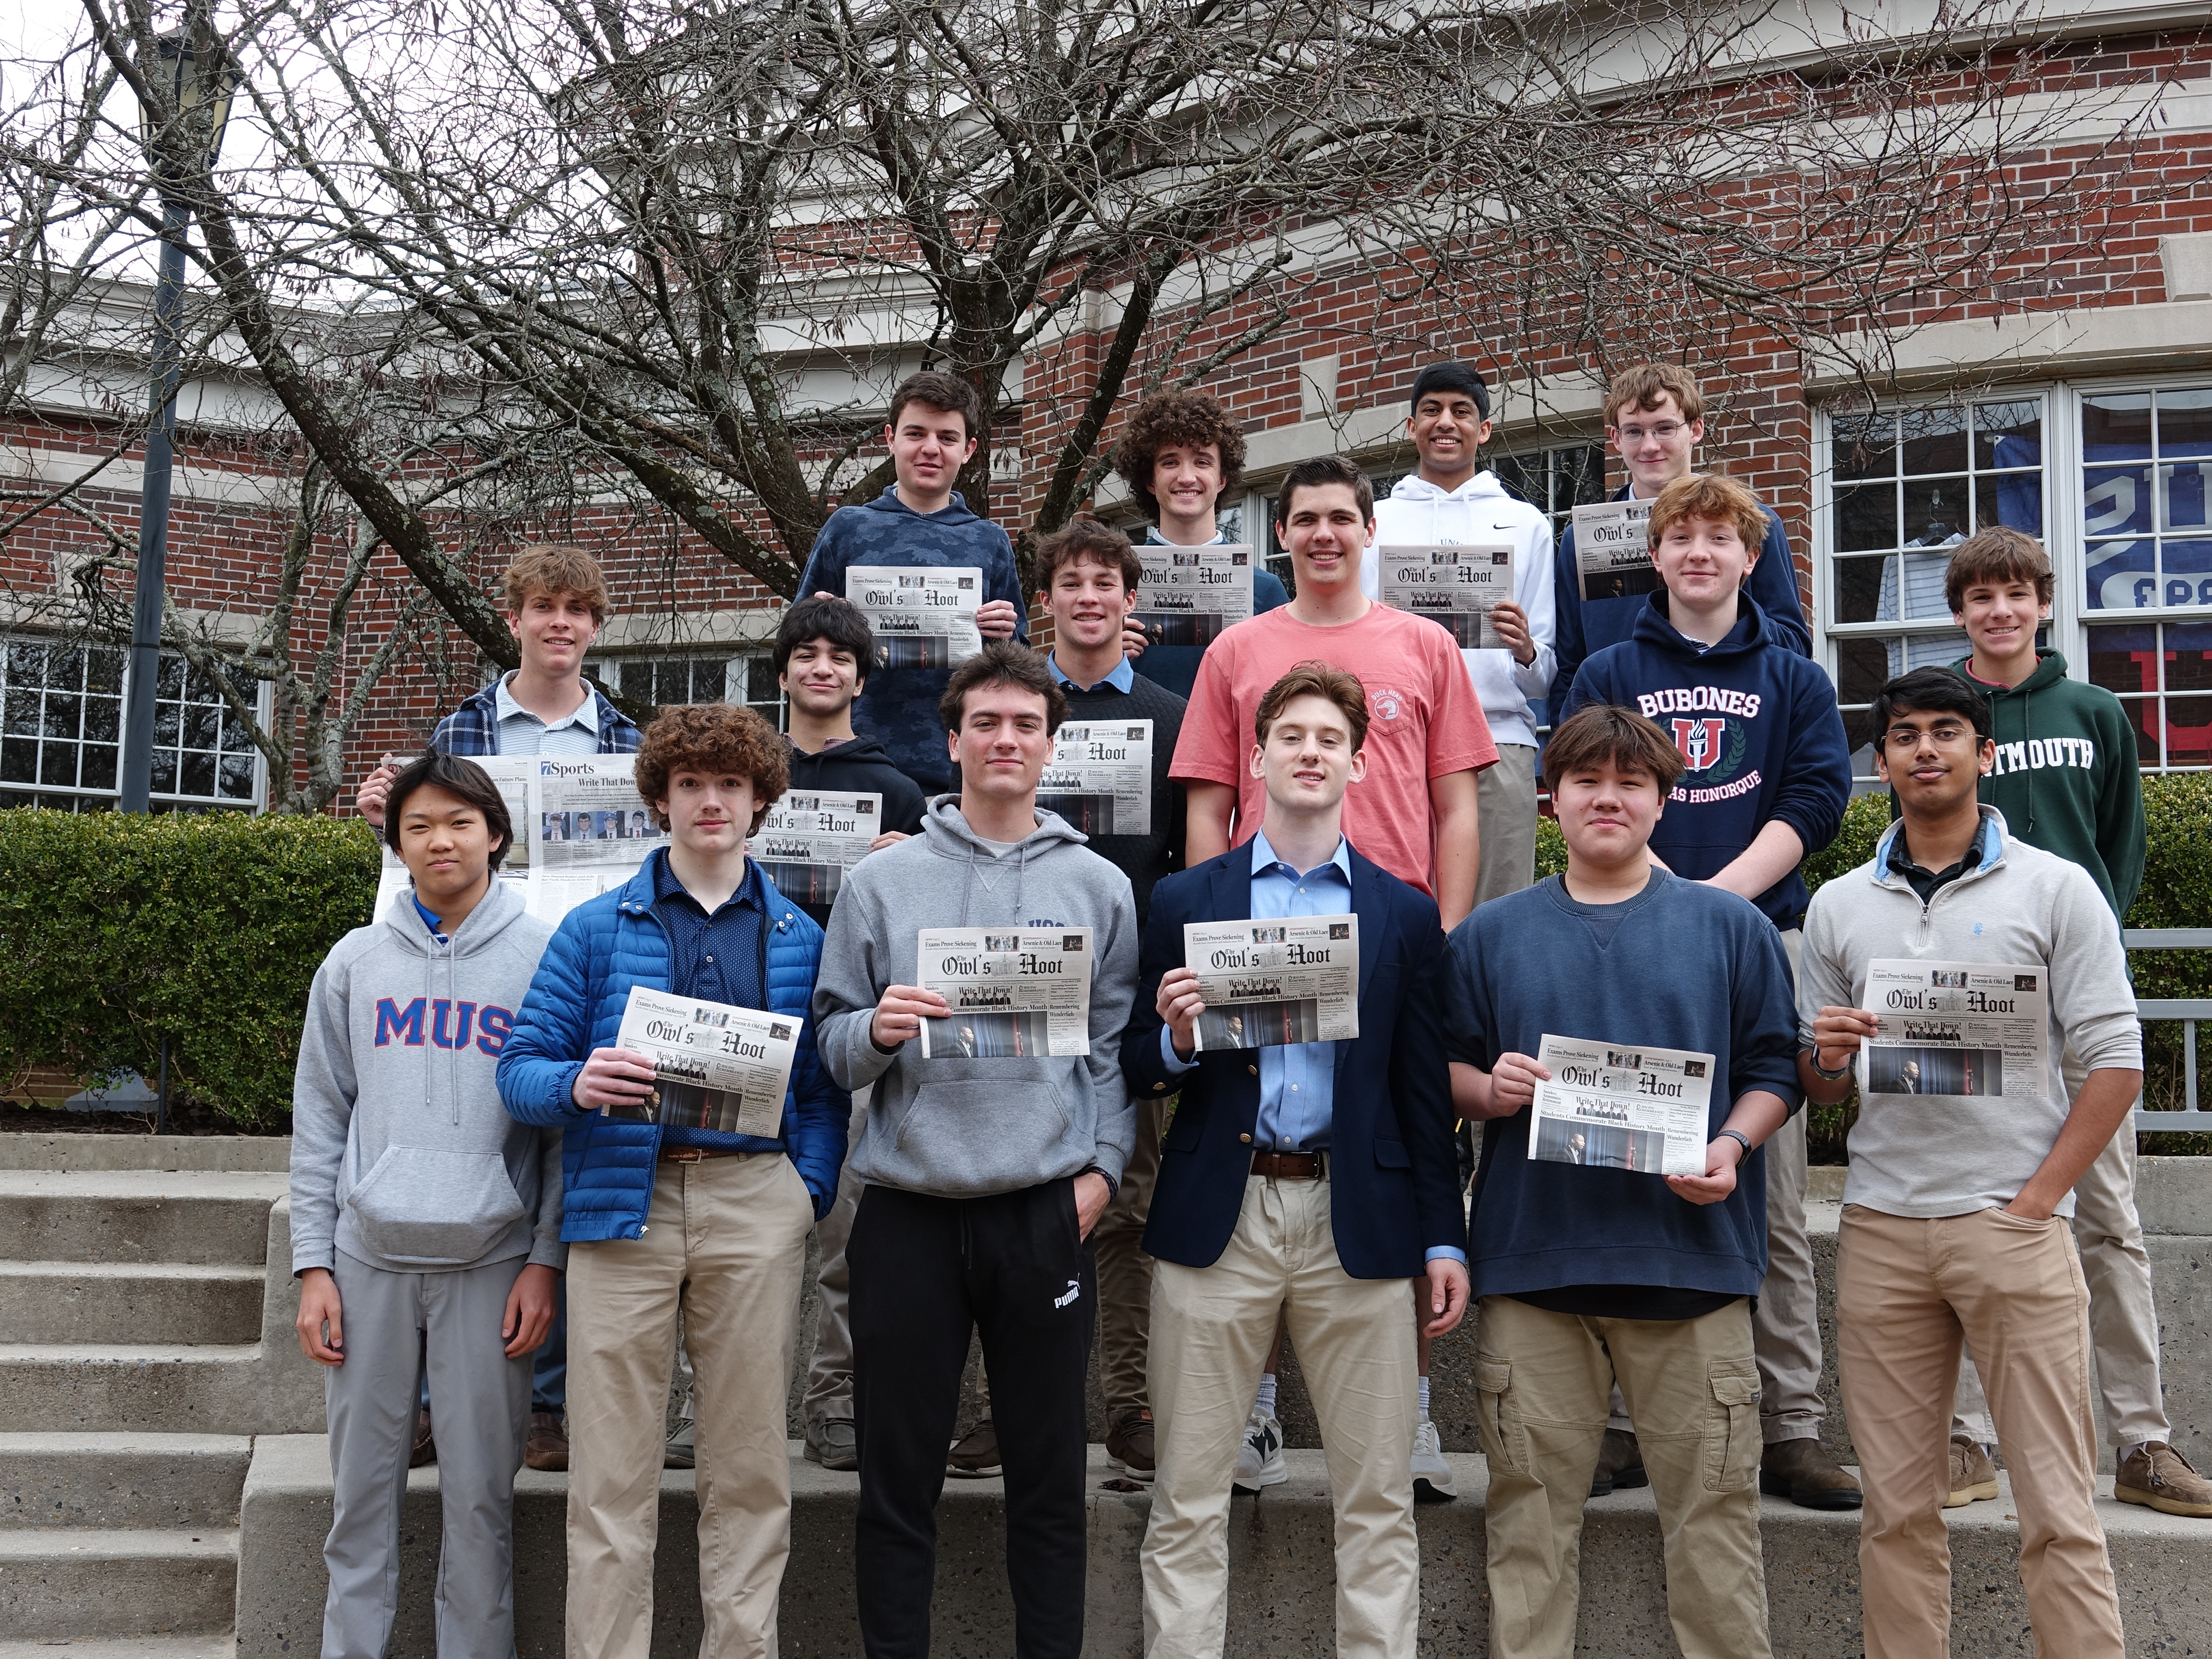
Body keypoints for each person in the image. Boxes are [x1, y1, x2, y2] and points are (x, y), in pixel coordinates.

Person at [1798, 665, 2143, 1659]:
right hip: (1882, 1229)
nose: (1927, 750)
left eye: (1948, 731)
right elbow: (1823, 1088)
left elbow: (2116, 1060)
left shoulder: (2055, 886)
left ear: (1983, 754)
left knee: (2059, 1508)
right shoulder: (1838, 907)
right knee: (1897, 1514)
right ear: (1883, 762)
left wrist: (2037, 1204)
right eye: (1905, 736)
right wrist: (1823, 1052)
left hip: (2012, 1227)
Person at [1445, 702, 1802, 1659]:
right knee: (1528, 1533)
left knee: (1717, 1533)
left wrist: (1730, 1146)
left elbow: (1779, 1068)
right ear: (1553, 800)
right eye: (1588, 782)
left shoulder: (1732, 927)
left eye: (1631, 782)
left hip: (1693, 1270)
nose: (1610, 797)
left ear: (1662, 800)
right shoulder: (1489, 935)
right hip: (1535, 1270)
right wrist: (1488, 1088)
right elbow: (1436, 1071)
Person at [1126, 663, 1467, 1659]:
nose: (1310, 753)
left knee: (1376, 1499)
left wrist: (1444, 1235)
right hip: (1218, 1219)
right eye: (1292, 737)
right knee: (1187, 1494)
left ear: (1359, 765)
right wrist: (1180, 1039)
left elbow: (1422, 1095)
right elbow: (1135, 1067)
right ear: (1258, 758)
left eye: (1330, 740)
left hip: (1355, 1218)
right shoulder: (1187, 898)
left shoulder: (1403, 914)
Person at [1172, 452, 1493, 1499]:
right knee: (1251, 1143)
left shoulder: (1425, 644)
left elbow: (1457, 806)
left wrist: (1437, 937)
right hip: (1262, 934)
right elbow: (1208, 806)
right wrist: (1208, 932)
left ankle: (1413, 1417)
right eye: (1303, 518)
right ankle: (1256, 1413)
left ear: (1370, 532)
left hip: (1391, 938)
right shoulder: (1238, 648)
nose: (1321, 533)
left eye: (1339, 519)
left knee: (1402, 1154)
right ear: (1283, 536)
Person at [811, 641, 1141, 1658]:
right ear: (952, 742)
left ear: (1052, 747)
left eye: (1026, 726)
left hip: (1042, 1212)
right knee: (895, 1482)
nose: (1006, 740)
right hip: (907, 1213)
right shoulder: (884, 882)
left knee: (1049, 1484)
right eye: (986, 723)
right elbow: (827, 1044)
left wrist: (1101, 1174)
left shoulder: (1100, 887)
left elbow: (1113, 1051)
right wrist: (875, 1030)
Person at [497, 704, 847, 1659]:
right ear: (659, 799)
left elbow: (821, 1094)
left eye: (730, 784)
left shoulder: (798, 935)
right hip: (623, 1210)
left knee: (747, 1473)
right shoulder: (592, 931)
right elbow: (519, 1071)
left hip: (753, 1207)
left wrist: (802, 1192)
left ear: (760, 801)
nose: (710, 801)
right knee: (610, 1476)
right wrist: (577, 1082)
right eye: (690, 783)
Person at [1560, 470, 1857, 1508]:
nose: (1697, 553)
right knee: (1625, 1163)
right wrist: (1653, 895)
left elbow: (1818, 797)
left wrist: (1717, 900)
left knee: (1768, 1193)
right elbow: (1580, 789)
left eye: (1718, 537)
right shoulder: (1606, 666)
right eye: (1678, 535)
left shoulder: (1792, 674)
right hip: (1618, 940)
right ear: (1657, 552)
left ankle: (1792, 1427)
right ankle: (1621, 1423)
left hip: (1759, 938)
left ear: (1747, 554)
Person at [1930, 527, 2210, 1515]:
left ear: (2043, 603)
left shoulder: (2093, 711)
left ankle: (2142, 1441)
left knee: (2111, 1222)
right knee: (1965, 1210)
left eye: (2015, 594)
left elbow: (2120, 849)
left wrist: (2081, 951)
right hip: (1970, 999)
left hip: (2080, 1001)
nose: (1998, 611)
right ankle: (1965, 1439)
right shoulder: (1945, 714)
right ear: (1959, 608)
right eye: (1979, 597)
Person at [354, 543, 640, 1473]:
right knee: (461, 1162)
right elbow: (423, 842)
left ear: (596, 627)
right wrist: (387, 815)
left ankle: (545, 1404)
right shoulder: (460, 730)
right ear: (512, 618)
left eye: (578, 609)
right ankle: (437, 1400)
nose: (561, 623)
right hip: (470, 979)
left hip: (581, 984)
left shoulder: (630, 746)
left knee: (556, 1181)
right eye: (543, 607)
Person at [290, 753, 562, 1659]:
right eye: (418, 826)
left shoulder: (544, 958)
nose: (439, 839)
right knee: (358, 1499)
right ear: (397, 843)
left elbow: (567, 1130)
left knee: (481, 1504)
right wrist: (313, 1265)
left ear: (495, 834)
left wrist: (545, 1261)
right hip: (368, 1259)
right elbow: (322, 1116)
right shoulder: (355, 960)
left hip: (492, 1262)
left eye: (458, 821)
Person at [1019, 515, 1191, 1486]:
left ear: (1132, 602)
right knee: (1007, 1194)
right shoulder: (1013, 705)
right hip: (1014, 987)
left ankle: (1130, 1408)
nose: (1088, 598)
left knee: (1128, 1210)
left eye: (1106, 584)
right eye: (1071, 583)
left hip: (1128, 995)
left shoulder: (1173, 713)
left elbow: (1186, 856)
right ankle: (1001, 1413)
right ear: (1048, 599)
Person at [767, 594, 931, 1476]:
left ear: (862, 679)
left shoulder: (900, 788)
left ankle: (835, 1400)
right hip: (751, 1016)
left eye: (840, 657)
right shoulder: (748, 773)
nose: (822, 668)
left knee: (844, 1232)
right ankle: (699, 1407)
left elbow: (928, 914)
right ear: (785, 671)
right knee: (718, 1230)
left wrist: (900, 866)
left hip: (852, 1029)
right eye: (807, 655)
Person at [1363, 362, 1555, 906]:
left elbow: (1545, 679)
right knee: (1398, 907)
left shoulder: (1527, 524)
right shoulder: (1373, 524)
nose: (1445, 423)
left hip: (1499, 744)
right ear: (1410, 426)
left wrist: (1526, 650)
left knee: (1498, 918)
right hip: (1395, 740)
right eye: (1431, 410)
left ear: (1484, 429)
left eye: (1461, 411)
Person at [795, 370, 1028, 793]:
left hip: (956, 768)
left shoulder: (989, 541)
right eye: (916, 433)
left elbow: (1020, 670)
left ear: (970, 449)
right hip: (852, 758)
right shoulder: (848, 528)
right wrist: (821, 618)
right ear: (891, 438)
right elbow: (794, 647)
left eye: (947, 437)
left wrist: (1003, 637)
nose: (930, 449)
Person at [1552, 363, 1811, 695]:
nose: (1649, 446)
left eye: (1665, 428)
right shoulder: (1583, 538)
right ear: (1616, 438)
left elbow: (1793, 645)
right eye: (1634, 431)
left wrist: (1723, 615)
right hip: (1620, 731)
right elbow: (1569, 663)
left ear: (1696, 430)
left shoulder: (1753, 522)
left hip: (1728, 714)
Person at [1110, 385, 1290, 699]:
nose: (1187, 477)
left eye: (1202, 462)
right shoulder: (1113, 581)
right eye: (1170, 462)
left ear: (1222, 479)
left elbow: (1286, 691)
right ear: (1150, 481)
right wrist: (1106, 657)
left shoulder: (1265, 588)